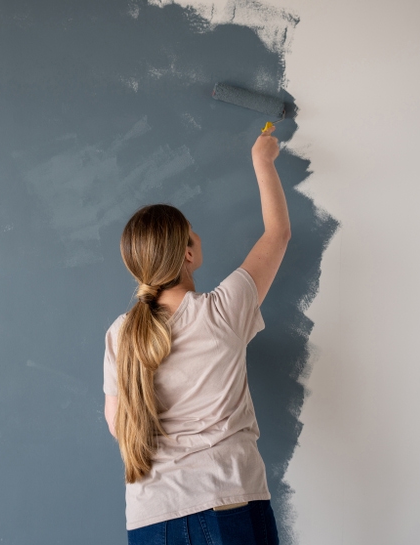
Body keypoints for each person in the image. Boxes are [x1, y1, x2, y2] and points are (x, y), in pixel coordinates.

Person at [103, 126, 290, 545]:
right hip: (229, 504)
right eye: (193, 231)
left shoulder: (121, 333)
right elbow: (277, 234)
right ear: (188, 252)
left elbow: (117, 424)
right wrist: (263, 160)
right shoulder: (224, 309)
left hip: (150, 516)